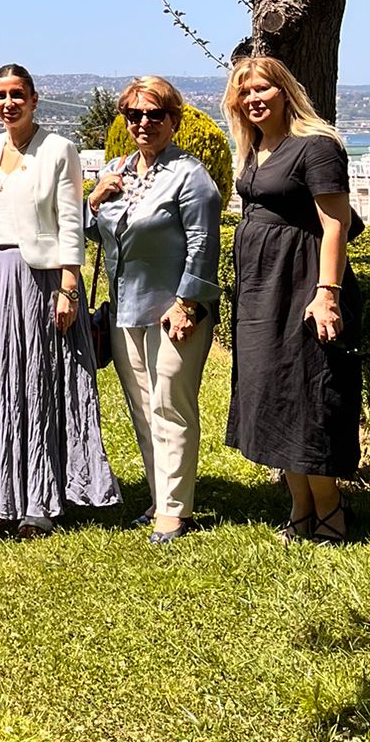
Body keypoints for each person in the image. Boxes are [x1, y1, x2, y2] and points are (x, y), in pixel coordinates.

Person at [0, 63, 119, 536]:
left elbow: (71, 222)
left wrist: (69, 288)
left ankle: (40, 502)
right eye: (1, 96)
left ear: (33, 99)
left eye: (17, 95)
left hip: (41, 278)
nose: (8, 104)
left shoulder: (58, 149)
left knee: (38, 384)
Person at [222, 54, 362, 545]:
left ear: (284, 91)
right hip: (263, 290)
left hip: (303, 282)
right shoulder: (256, 146)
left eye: (262, 88)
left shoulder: (316, 146)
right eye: (244, 92)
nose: (253, 98)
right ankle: (301, 509)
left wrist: (327, 294)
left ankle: (331, 512)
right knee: (275, 394)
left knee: (309, 395)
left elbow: (336, 224)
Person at [87, 77, 221, 545]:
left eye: (155, 114)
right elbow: (95, 232)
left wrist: (187, 303)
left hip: (175, 311)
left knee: (171, 406)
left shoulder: (190, 175)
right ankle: (160, 498)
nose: (144, 122)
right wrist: (94, 200)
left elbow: (204, 243)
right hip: (126, 310)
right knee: (143, 409)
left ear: (173, 120)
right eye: (134, 115)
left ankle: (175, 511)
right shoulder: (117, 170)